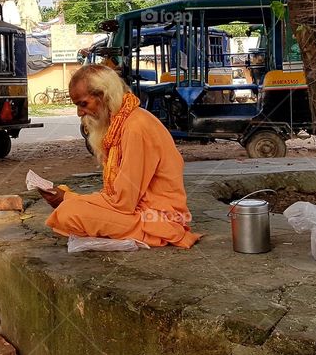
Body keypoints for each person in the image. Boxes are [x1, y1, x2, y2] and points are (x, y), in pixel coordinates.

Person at [39, 63, 199, 248]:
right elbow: (117, 196)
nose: (79, 113)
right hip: (137, 212)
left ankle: (155, 235)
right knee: (69, 211)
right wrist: (69, 197)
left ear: (104, 96)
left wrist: (68, 198)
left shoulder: (135, 127)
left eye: (83, 104)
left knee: (68, 213)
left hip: (156, 218)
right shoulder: (122, 123)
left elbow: (123, 202)